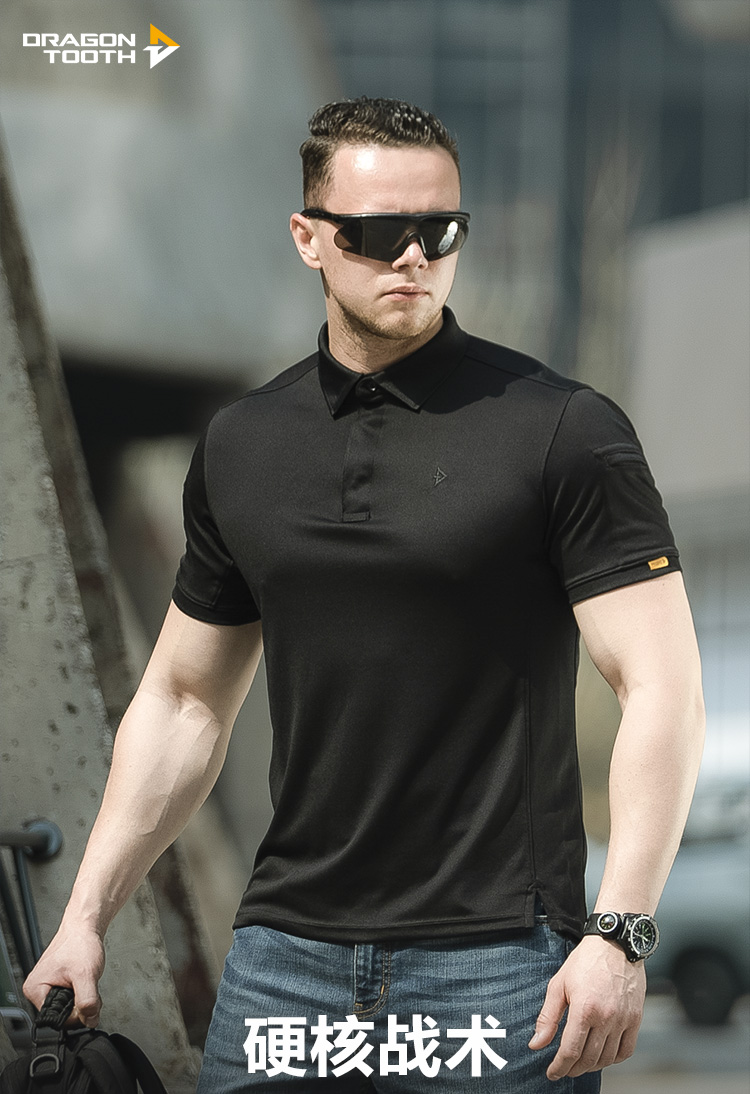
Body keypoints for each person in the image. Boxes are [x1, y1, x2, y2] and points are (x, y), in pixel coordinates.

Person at [24, 97, 705, 1092]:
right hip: (282, 960)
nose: (415, 257)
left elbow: (661, 686)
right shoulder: (243, 445)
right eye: (380, 233)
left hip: (498, 962)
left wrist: (621, 930)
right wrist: (85, 918)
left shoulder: (563, 430)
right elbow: (183, 701)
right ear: (309, 237)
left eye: (441, 231)